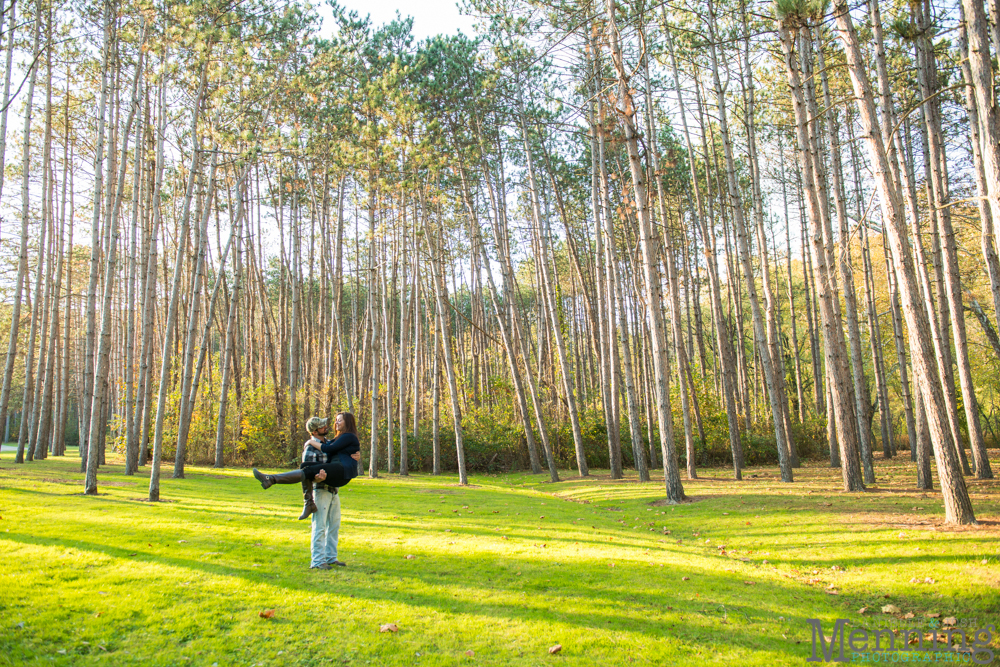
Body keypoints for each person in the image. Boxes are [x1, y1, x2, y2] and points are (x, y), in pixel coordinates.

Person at [252, 413, 361, 521]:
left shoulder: (349, 436)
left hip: (342, 471)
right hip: (336, 471)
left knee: (308, 470)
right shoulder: (340, 437)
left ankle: (272, 479)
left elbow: (329, 448)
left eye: (339, 420)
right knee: (305, 465)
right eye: (336, 420)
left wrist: (310, 441)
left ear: (348, 423)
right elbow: (331, 446)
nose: (335, 423)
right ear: (315, 431)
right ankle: (308, 502)